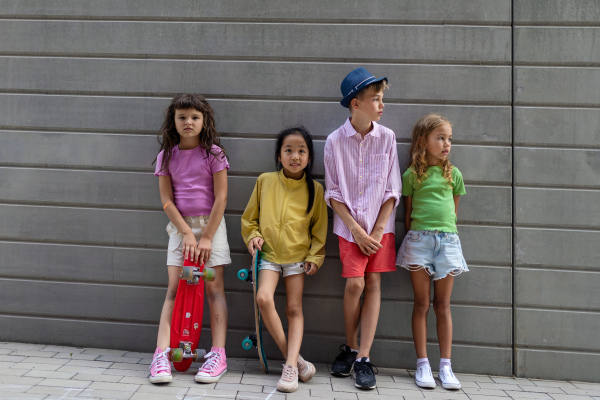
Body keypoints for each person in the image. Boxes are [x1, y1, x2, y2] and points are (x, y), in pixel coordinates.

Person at [324, 67, 401, 390]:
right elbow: (333, 193)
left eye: (382, 99)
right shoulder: (334, 141)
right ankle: (351, 346)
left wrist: (379, 229)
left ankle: (364, 358)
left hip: (380, 227)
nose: (381, 105)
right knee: (354, 285)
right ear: (356, 104)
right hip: (350, 229)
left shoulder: (388, 138)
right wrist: (356, 230)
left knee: (373, 282)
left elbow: (392, 188)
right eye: (375, 99)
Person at [150, 93, 231, 384]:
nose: (188, 122)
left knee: (214, 291)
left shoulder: (214, 154)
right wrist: (186, 232)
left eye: (195, 117)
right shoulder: (166, 156)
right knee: (175, 288)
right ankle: (162, 354)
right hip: (180, 230)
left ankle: (218, 355)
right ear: (173, 121)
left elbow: (221, 197)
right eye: (182, 117)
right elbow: (166, 200)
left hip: (212, 227)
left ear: (204, 121)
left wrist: (206, 236)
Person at [241, 126, 327, 393]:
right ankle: (296, 361)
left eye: (301, 151)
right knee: (263, 298)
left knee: (293, 309)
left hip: (297, 258)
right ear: (279, 155)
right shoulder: (265, 181)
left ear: (309, 157)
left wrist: (315, 256)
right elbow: (249, 219)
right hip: (267, 256)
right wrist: (252, 236)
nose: (295, 156)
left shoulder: (316, 189)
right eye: (288, 150)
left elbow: (319, 229)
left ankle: (289, 366)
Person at [396, 113, 468, 390]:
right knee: (422, 303)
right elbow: (408, 213)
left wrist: (443, 233)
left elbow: (454, 212)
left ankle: (446, 367)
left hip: (448, 242)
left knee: (443, 305)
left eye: (449, 139)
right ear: (423, 141)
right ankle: (423, 364)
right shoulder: (411, 175)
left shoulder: (455, 174)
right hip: (419, 241)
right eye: (440, 138)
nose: (446, 143)